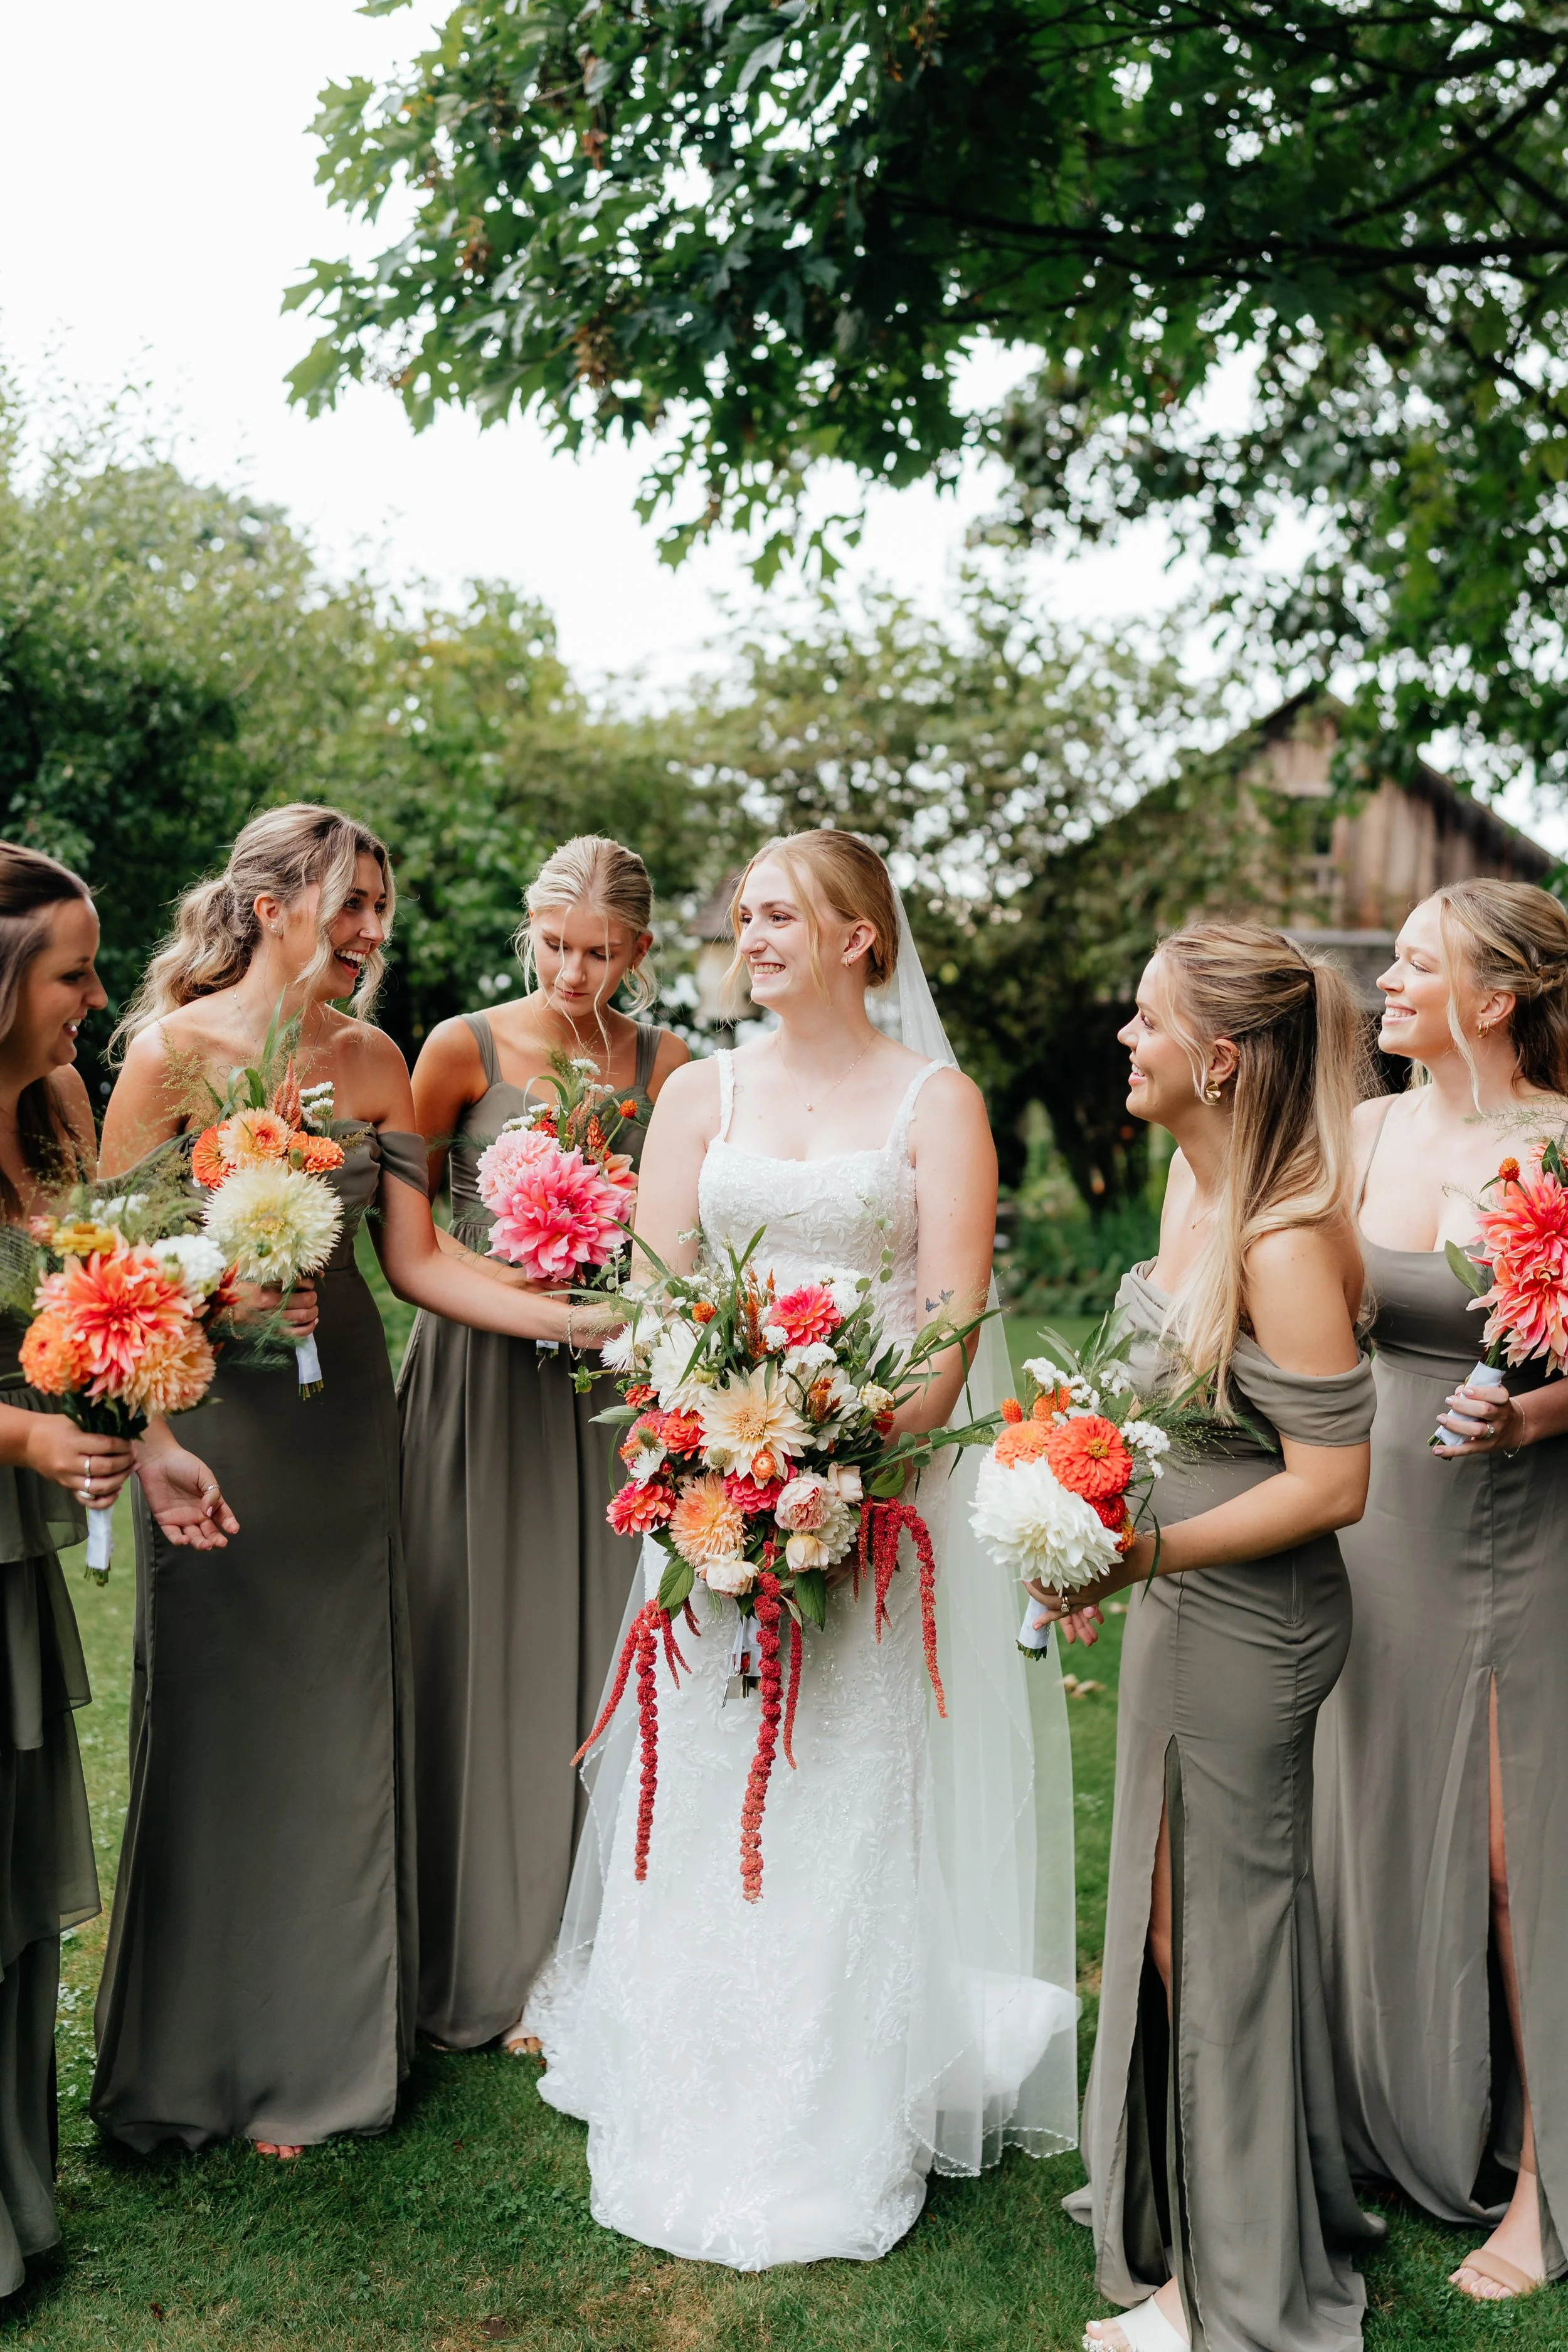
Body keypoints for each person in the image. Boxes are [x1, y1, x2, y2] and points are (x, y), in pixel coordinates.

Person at [524, 829, 1079, 2270]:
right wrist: (706, 1458)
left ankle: (829, 2101)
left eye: (780, 914)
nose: (747, 932)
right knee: (703, 1775)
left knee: (834, 1774)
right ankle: (684, 2069)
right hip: (710, 1491)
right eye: (743, 915)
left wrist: (833, 1469)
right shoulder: (700, 1093)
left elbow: (948, 1325)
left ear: (857, 937)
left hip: (863, 1500)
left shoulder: (933, 1103)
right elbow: (659, 1303)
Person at [88, 804, 618, 2161]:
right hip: (220, 1423)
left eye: (381, 909)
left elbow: (423, 1266)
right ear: (269, 907)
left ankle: (331, 2048)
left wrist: (598, 1319)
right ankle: (203, 2054)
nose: (374, 935)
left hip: (347, 1429)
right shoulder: (166, 1059)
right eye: (352, 906)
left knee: (342, 1721)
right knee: (222, 1718)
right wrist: (166, 1405)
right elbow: (107, 1275)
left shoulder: (374, 1061)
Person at [1035, 923, 1384, 2352]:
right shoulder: (1195, 1180)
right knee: (1176, 1928)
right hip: (1182, 1603)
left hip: (1255, 1626)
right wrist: (1078, 1515)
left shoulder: (1286, 1235)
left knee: (1213, 1939)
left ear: (1220, 1058)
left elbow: (1334, 1484)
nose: (1124, 1041)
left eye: (1144, 1022)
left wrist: (1145, 1550)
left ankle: (1229, 2291)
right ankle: (1209, 2211)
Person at [1315, 880, 1568, 2304]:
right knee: (1368, 1814)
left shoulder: (1556, 1146)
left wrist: (1533, 1416)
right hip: (1366, 1517)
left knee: (1506, 1853)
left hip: (1511, 1521)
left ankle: (1540, 2184)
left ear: (1496, 999)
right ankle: (1389, 2114)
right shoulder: (1358, 1129)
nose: (1388, 981)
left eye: (1418, 963)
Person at [399, 835, 687, 2055]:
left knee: (596, 1654)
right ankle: (473, 1946)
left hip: (607, 1401)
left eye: (601, 953)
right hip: (477, 1381)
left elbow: (681, 1239)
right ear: (531, 927)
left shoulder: (673, 1067)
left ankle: (589, 1956)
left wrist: (622, 1311)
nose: (575, 973)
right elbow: (407, 1241)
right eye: (558, 946)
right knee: (478, 1647)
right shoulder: (458, 1048)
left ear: (639, 950)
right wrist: (543, 1301)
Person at [0, 843, 233, 2295]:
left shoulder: (56, 1106)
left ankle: (15, 2206)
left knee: (11, 1876)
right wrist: (24, 1446)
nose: (97, 998)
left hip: (8, 1555)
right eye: (76, 972)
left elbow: (97, 1302)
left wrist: (146, 1439)